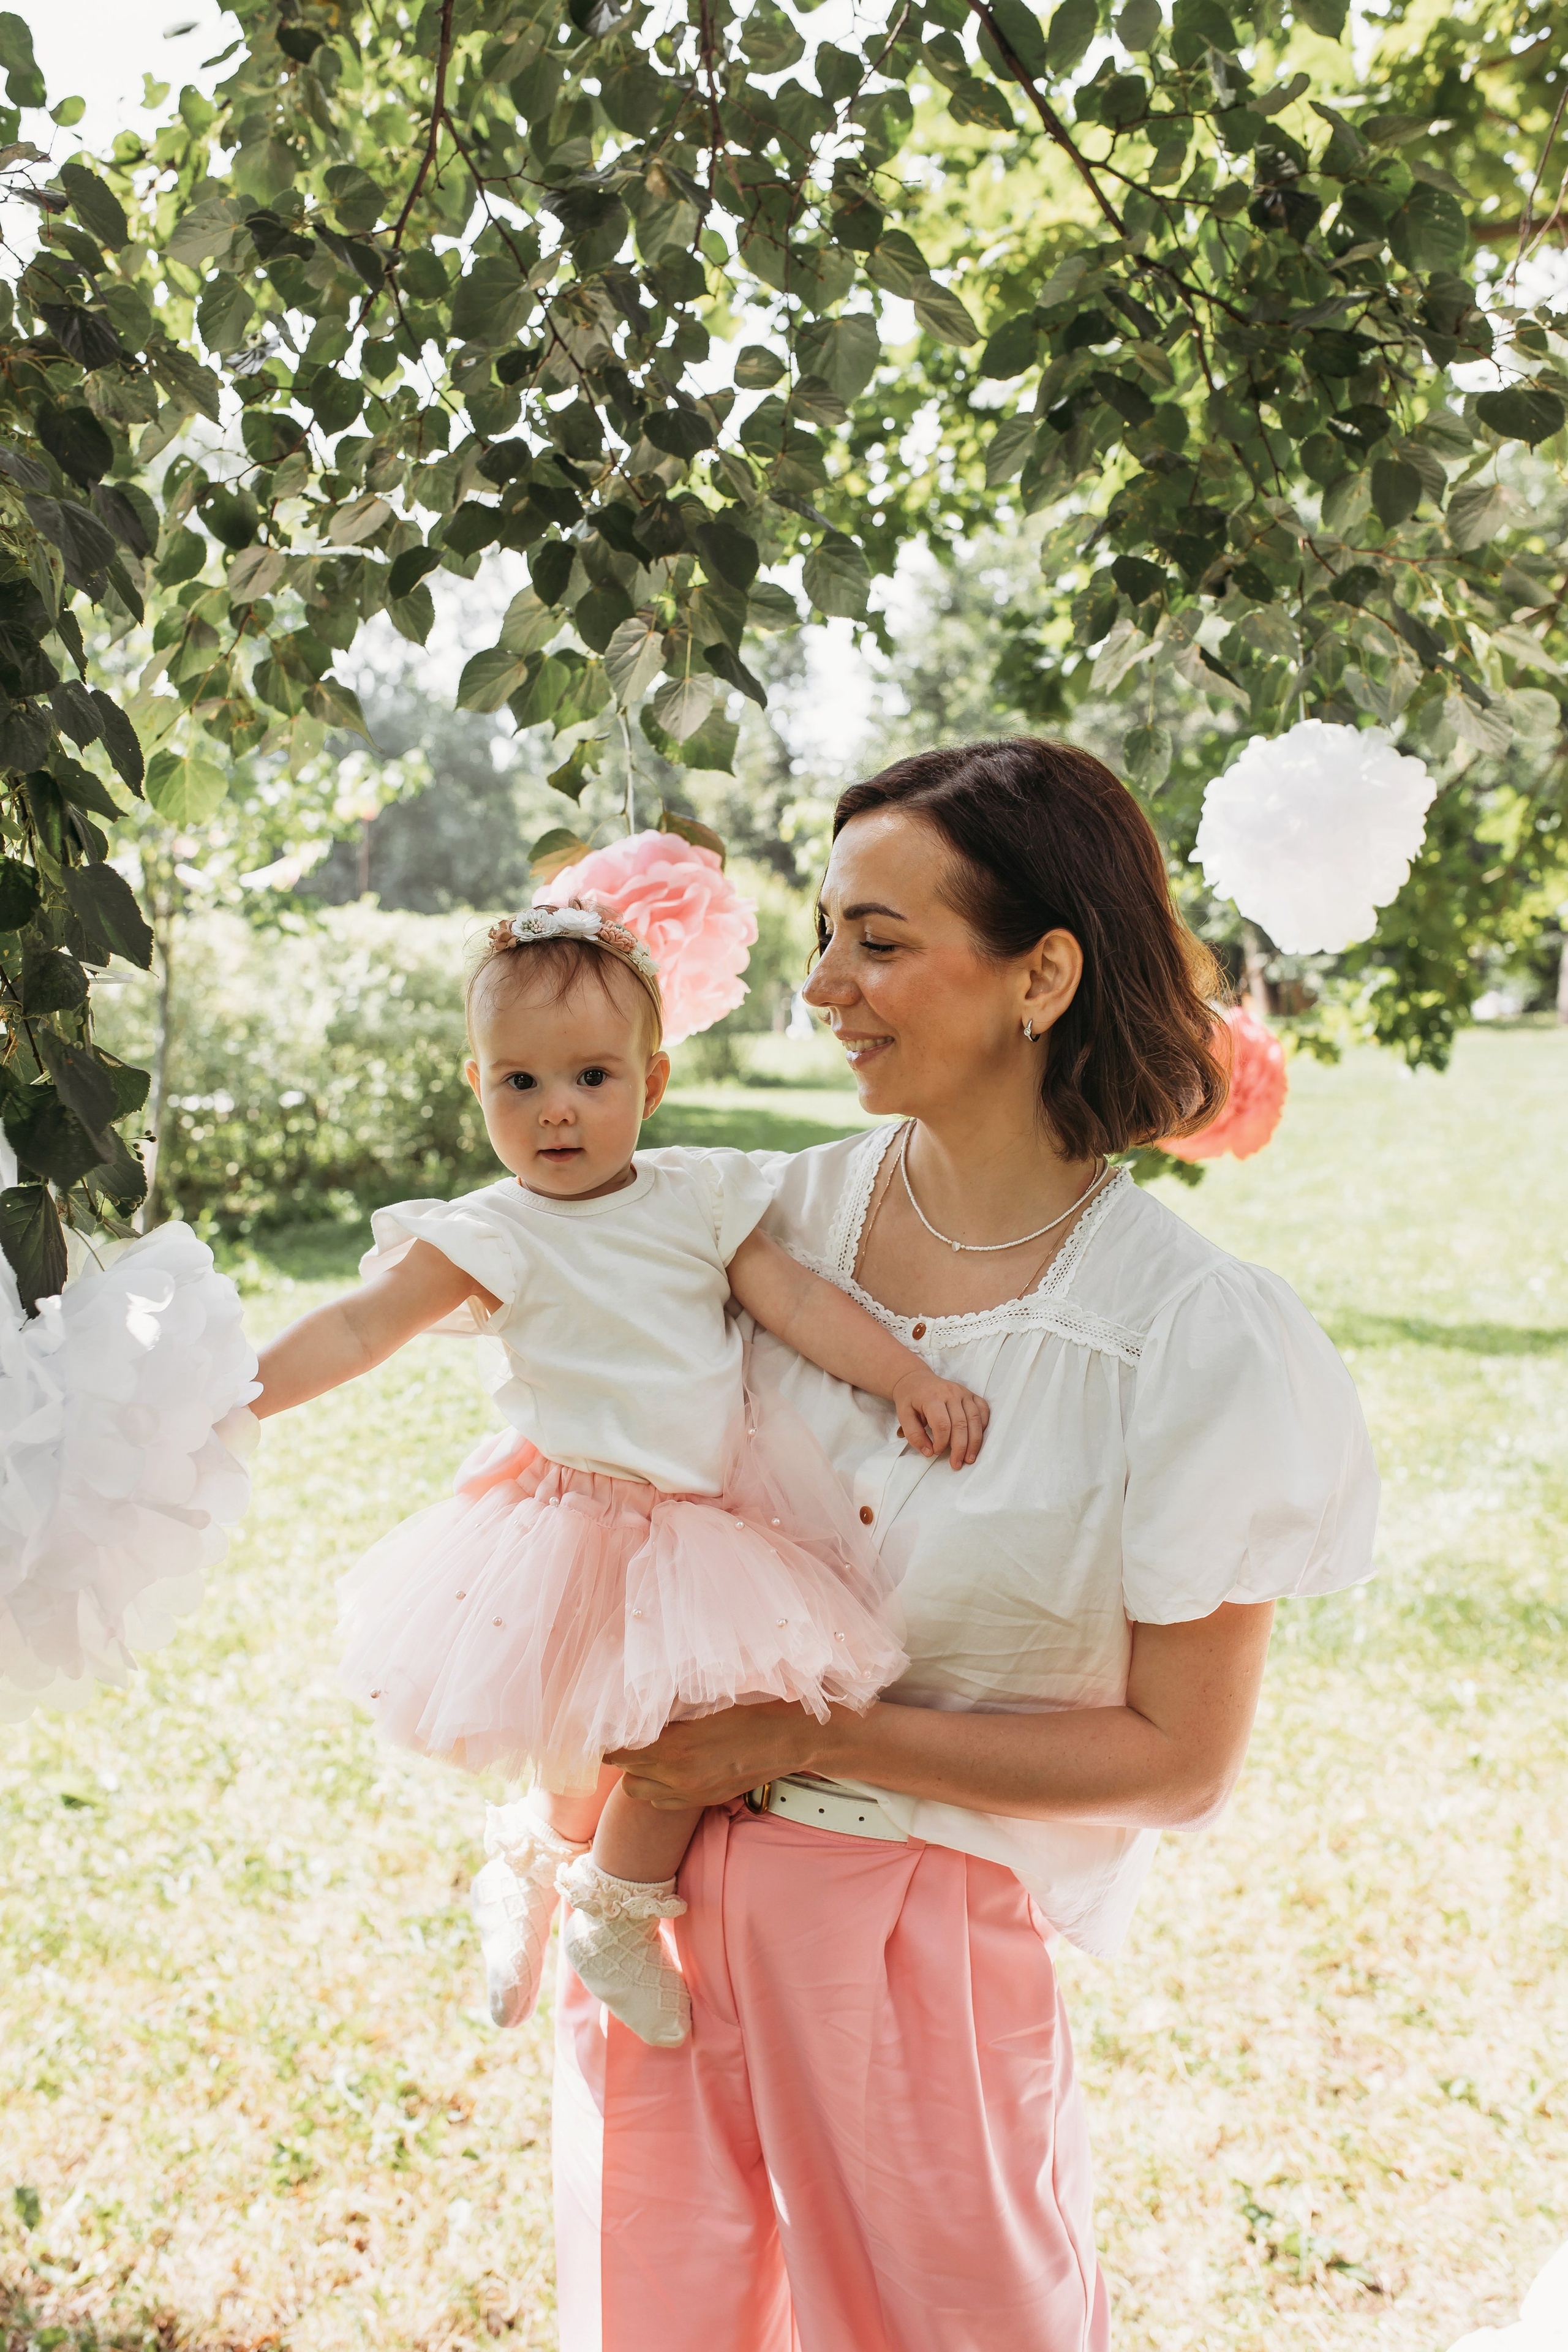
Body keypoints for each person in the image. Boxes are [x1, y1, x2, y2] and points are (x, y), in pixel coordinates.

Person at [550, 739, 1380, 2352]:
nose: (824, 988)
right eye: (824, 938)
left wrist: (808, 1733)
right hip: (653, 1910)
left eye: (878, 940)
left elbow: (1178, 1763)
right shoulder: (757, 1228)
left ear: (1041, 975)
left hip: (912, 1946)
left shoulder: (1191, 1337)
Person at [248, 903, 988, 2047]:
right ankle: (535, 1862)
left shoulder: (693, 1197)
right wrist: (240, 1391)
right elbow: (360, 1328)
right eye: (519, 1082)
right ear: (478, 1085)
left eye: (592, 1076)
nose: (556, 1109)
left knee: (697, 1729)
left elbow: (791, 1302)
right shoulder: (489, 1231)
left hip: (705, 1519)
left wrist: (903, 1377)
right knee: (584, 1727)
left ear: (652, 1080)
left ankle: (610, 1906)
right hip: (573, 1517)